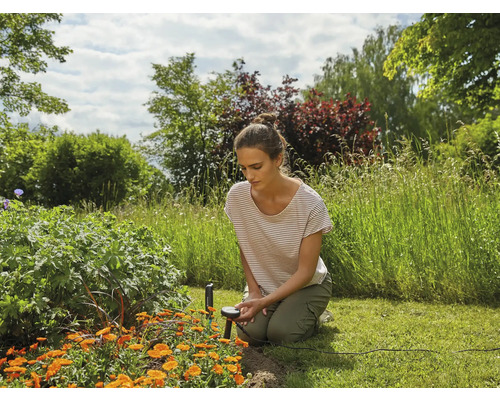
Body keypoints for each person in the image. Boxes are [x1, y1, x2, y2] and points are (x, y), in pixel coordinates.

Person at [224, 113, 333, 345]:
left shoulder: (310, 203)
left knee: (281, 334)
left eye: (256, 166)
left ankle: (315, 314)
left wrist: (264, 303)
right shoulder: (237, 197)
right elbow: (245, 246)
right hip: (265, 285)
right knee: (249, 335)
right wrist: (254, 292)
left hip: (308, 285)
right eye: (243, 168)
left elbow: (306, 272)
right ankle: (283, 309)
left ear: (278, 159)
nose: (249, 176)